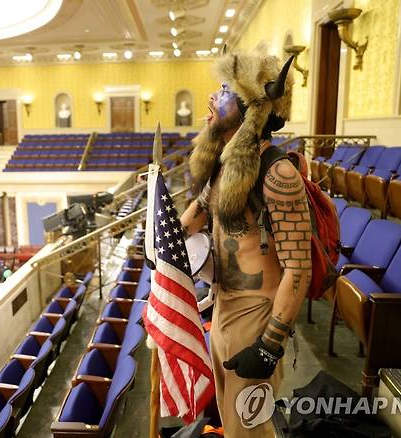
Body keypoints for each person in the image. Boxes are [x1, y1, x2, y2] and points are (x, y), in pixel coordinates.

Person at [180, 53, 310, 436]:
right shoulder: (226, 163)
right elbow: (202, 208)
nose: (212, 97)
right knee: (228, 416)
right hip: (222, 305)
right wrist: (166, 241)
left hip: (257, 316)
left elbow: (299, 269)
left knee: (249, 429)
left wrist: (270, 345)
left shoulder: (279, 174)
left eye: (224, 90)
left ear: (251, 106)